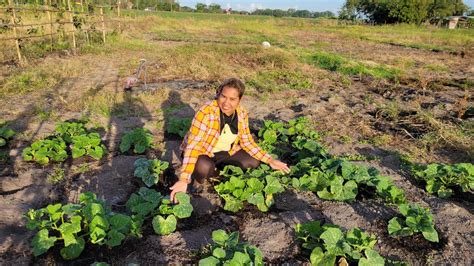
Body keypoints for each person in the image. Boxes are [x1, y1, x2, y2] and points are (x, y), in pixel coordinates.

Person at [170, 78, 290, 203]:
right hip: (203, 153)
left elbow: (247, 142)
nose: (226, 103)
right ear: (218, 94)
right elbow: (193, 146)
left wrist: (270, 160)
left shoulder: (242, 113)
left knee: (253, 162)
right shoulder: (205, 112)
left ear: (239, 100)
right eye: (223, 96)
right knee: (204, 167)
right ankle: (198, 180)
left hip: (225, 153)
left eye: (232, 99)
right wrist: (183, 179)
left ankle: (217, 170)